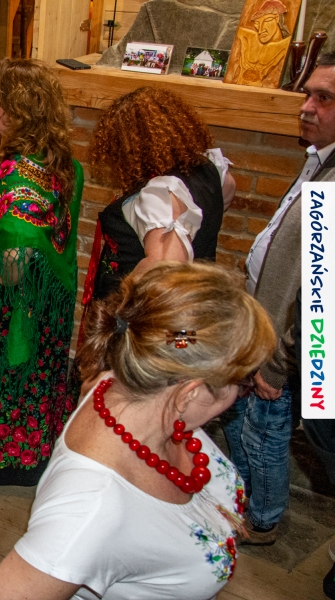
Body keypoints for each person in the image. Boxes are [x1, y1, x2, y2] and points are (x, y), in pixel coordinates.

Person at [0, 261, 276, 600]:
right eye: (241, 383)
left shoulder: (118, 384)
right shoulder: (91, 508)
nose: (240, 393)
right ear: (189, 393)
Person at [222, 53, 335, 547]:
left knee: (267, 433)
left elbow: (322, 296)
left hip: (290, 350)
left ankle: (263, 520)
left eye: (324, 98)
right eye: (307, 94)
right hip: (269, 335)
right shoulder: (320, 159)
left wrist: (278, 362)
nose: (306, 107)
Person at [0, 59, 83, 487]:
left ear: (20, 110)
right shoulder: (62, 161)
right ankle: (34, 453)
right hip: (51, 298)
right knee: (40, 376)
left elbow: (16, 253)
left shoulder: (13, 175)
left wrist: (2, 273)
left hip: (13, 301)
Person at [82, 86, 235, 310]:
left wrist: (120, 304)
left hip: (143, 314)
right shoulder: (210, 168)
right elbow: (226, 193)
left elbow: (164, 270)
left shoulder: (159, 194)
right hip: (198, 300)